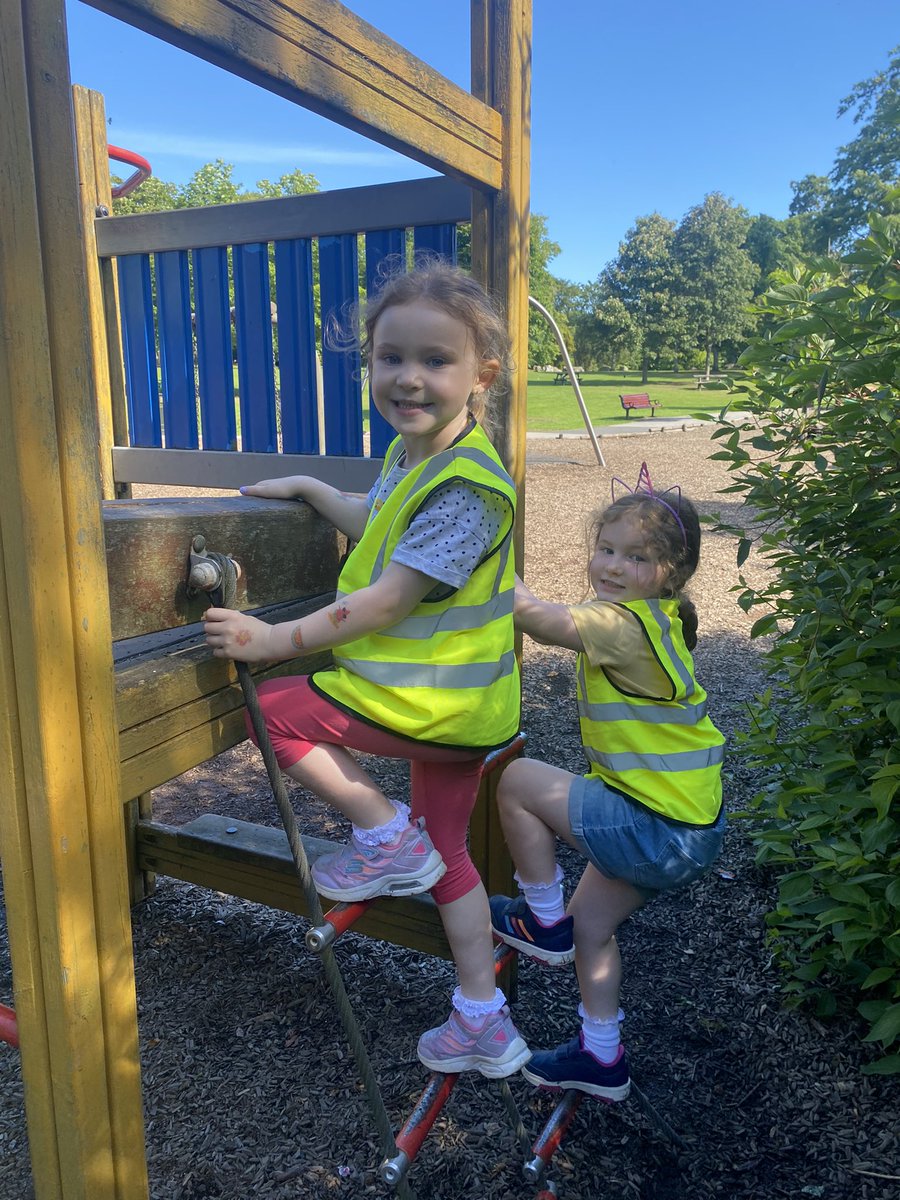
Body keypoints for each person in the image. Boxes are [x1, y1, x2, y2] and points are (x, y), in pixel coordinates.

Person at [203, 261, 530, 1079]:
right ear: (370, 364)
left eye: (434, 361)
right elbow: (378, 524)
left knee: (269, 709)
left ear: (479, 375)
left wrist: (276, 640)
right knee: (449, 857)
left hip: (423, 705)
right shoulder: (414, 457)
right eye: (391, 358)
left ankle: (382, 836)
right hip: (459, 712)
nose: (408, 378)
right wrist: (316, 488)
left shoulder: (473, 487)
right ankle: (481, 1019)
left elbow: (388, 599)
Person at [489, 464, 726, 1100]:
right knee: (592, 928)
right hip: (686, 827)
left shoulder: (625, 625)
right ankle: (602, 1057)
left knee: (516, 781)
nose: (613, 567)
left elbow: (539, 620)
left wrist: (482, 561)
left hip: (653, 825)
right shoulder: (663, 618)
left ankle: (541, 920)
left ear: (670, 572)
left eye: (636, 557)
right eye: (606, 549)